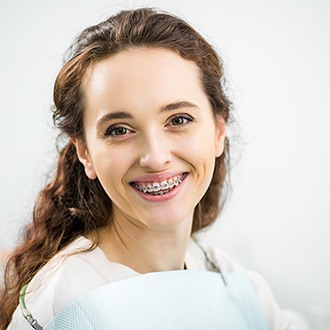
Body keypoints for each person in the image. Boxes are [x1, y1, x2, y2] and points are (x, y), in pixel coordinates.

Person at [0, 7, 297, 330]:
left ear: (217, 131)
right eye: (119, 129)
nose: (155, 158)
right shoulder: (65, 305)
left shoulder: (241, 289)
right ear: (85, 152)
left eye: (178, 120)